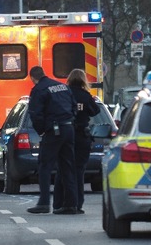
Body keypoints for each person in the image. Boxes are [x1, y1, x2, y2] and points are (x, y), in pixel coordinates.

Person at [26, 66, 78, 215]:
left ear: (33, 78)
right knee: (67, 166)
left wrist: (42, 130)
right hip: (69, 129)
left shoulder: (39, 89)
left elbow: (35, 114)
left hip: (54, 131)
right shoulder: (62, 86)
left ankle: (43, 203)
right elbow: (74, 107)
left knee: (44, 166)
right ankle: (71, 204)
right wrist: (70, 120)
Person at [52, 69, 100, 214]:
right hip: (81, 138)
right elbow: (95, 111)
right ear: (83, 80)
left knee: (63, 171)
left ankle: (59, 204)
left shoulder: (63, 94)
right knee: (79, 172)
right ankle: (77, 204)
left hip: (65, 136)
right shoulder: (85, 96)